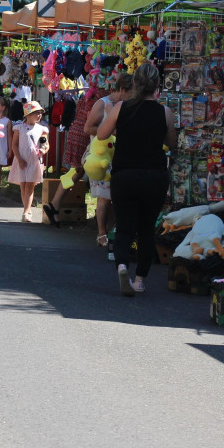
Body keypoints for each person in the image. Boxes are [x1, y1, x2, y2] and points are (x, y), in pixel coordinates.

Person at [97, 62, 175, 297]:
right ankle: (140, 280)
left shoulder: (121, 107)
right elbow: (172, 143)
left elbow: (101, 134)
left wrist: (122, 130)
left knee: (125, 226)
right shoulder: (165, 112)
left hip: (125, 174)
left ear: (135, 83)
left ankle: (122, 266)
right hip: (155, 176)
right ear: (157, 85)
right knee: (146, 229)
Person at [85, 74, 133, 258]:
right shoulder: (102, 103)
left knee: (118, 197)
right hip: (102, 156)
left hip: (121, 156)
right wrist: (109, 131)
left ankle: (113, 231)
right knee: (104, 197)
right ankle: (101, 233)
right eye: (129, 93)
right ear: (121, 89)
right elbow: (88, 128)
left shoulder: (129, 105)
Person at [43, 88, 92, 227]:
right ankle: (54, 204)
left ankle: (54, 205)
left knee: (77, 171)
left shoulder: (92, 93)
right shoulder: (102, 95)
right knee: (78, 170)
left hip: (78, 130)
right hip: (85, 133)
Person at [9, 100, 48, 222]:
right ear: (28, 114)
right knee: (24, 186)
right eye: (36, 112)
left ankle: (26, 212)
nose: (39, 115)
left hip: (34, 161)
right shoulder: (19, 128)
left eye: (40, 113)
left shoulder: (42, 129)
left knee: (30, 186)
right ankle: (27, 209)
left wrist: (44, 149)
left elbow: (46, 144)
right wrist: (19, 159)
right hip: (21, 160)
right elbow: (14, 145)